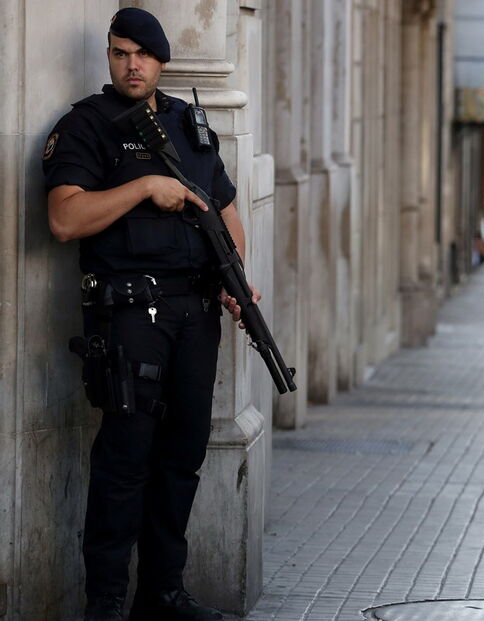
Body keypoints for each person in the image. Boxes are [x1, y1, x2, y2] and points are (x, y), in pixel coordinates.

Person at [42, 8, 256, 620]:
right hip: (130, 314)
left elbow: (226, 212)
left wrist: (235, 282)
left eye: (142, 54)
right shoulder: (87, 125)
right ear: (109, 58)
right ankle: (106, 601)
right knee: (125, 455)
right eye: (120, 53)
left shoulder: (189, 123)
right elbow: (64, 219)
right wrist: (142, 187)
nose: (131, 65)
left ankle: (162, 593)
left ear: (162, 60)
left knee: (183, 455)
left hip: (195, 313)